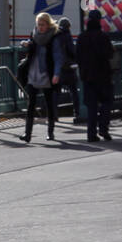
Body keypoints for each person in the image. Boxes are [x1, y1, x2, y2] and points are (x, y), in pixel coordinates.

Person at [19, 12, 67, 143]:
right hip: (33, 72)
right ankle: (27, 133)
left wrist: (56, 74)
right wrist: (28, 45)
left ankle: (50, 132)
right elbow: (32, 47)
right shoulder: (34, 34)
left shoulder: (54, 37)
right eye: (38, 24)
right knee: (31, 104)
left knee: (49, 103)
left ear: (48, 24)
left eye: (42, 25)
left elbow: (58, 57)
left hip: (47, 73)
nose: (40, 27)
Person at [76, 9, 114, 142]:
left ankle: (91, 134)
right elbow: (110, 54)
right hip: (103, 76)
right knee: (106, 103)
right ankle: (103, 129)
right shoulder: (103, 37)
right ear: (99, 21)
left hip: (87, 77)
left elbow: (78, 57)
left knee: (91, 106)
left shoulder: (82, 37)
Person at [56, 16, 81, 122]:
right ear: (68, 26)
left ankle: (54, 114)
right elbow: (71, 50)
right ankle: (77, 113)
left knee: (56, 92)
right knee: (74, 92)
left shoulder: (55, 35)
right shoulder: (67, 35)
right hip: (69, 68)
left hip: (58, 68)